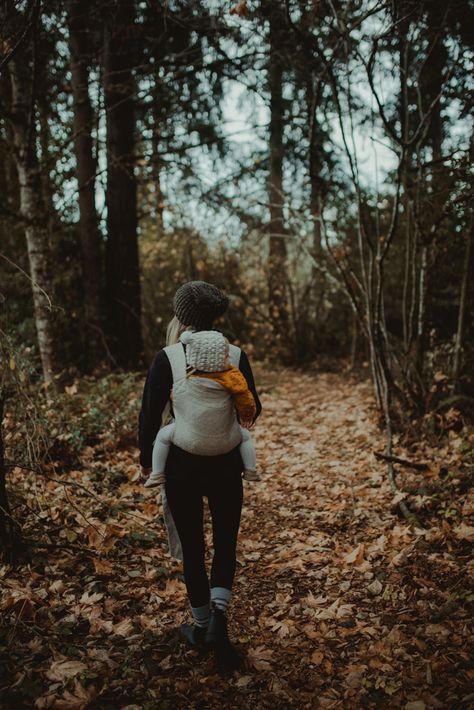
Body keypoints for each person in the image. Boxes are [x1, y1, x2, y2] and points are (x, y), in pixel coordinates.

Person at [138, 281, 262, 668]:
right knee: (225, 543)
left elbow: (148, 415)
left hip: (181, 468)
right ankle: (219, 627)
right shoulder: (236, 355)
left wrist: (147, 460)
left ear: (182, 317)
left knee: (193, 547)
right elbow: (252, 409)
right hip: (226, 464)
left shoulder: (168, 357)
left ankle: (200, 625)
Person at [143, 329, 260, 488]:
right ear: (215, 359)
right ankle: (250, 469)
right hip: (226, 443)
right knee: (245, 435)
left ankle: (157, 473)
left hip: (187, 441)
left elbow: (170, 400)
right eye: (226, 355)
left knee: (163, 436)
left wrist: (144, 459)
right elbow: (246, 400)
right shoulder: (233, 377)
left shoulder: (185, 378)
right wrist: (247, 415)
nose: (229, 357)